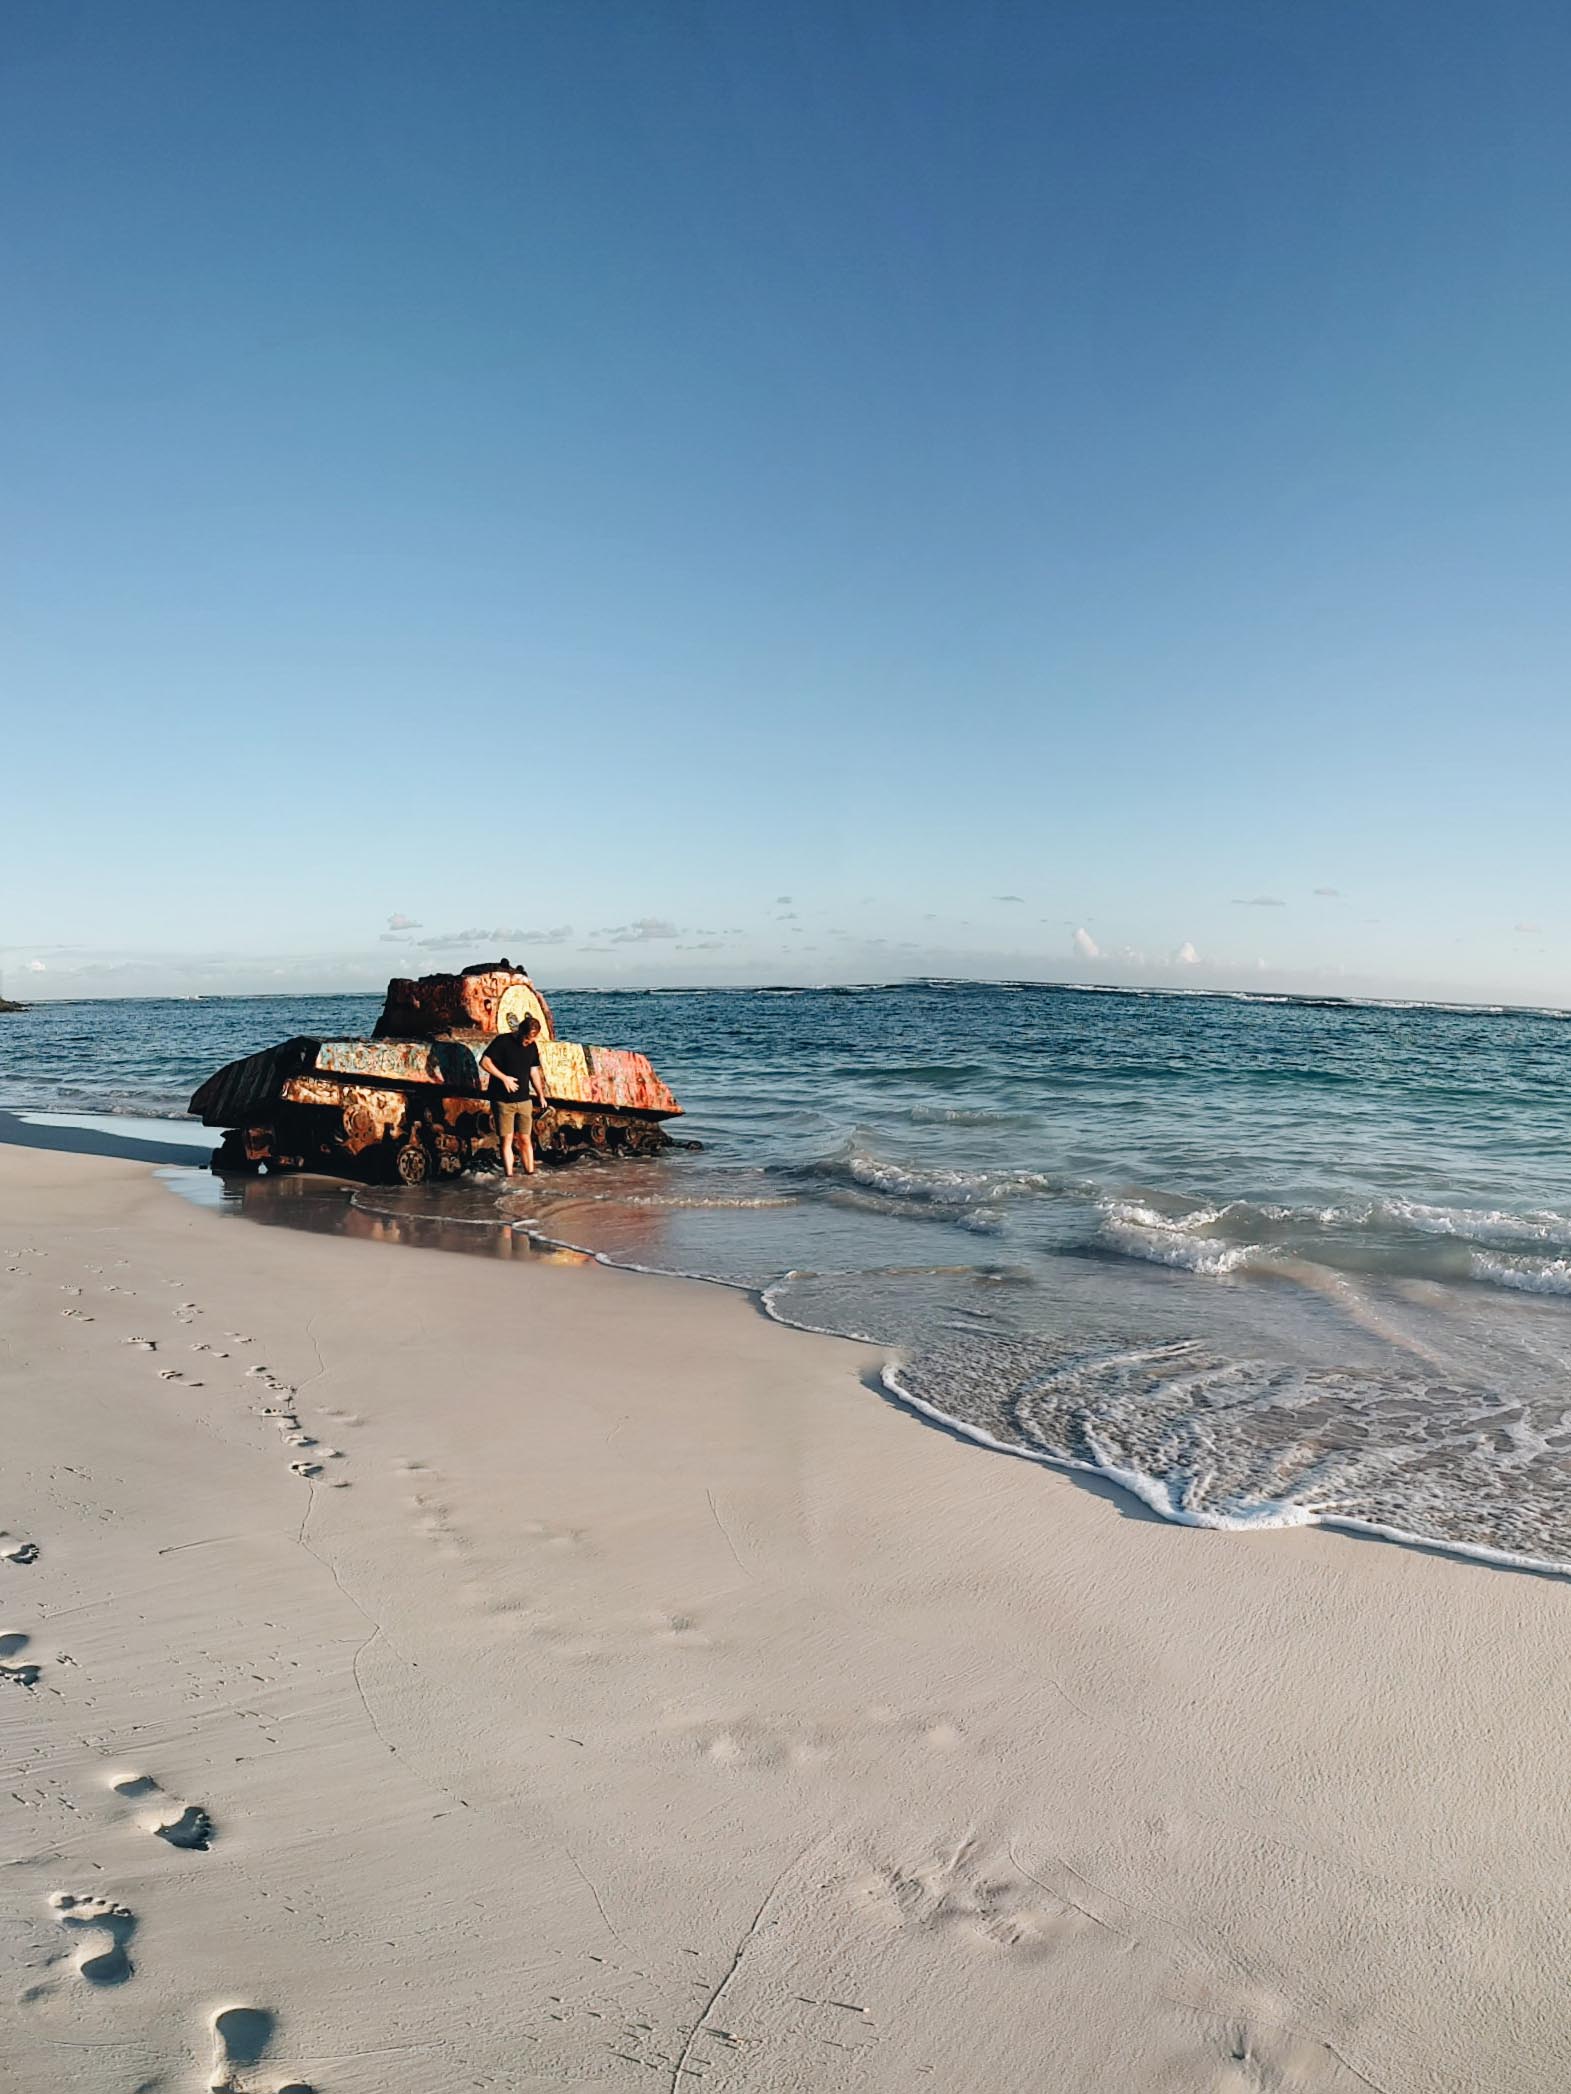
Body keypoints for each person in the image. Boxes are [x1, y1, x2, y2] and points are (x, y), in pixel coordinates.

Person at [480, 1012, 548, 1177]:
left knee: (525, 1139)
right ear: (520, 1032)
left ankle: (530, 1174)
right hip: (503, 1101)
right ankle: (509, 1177)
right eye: (526, 1039)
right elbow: (484, 1062)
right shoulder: (503, 1041)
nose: (527, 1043)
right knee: (507, 1140)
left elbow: (533, 1072)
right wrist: (504, 1079)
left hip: (524, 1100)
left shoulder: (532, 1046)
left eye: (531, 1040)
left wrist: (540, 1095)